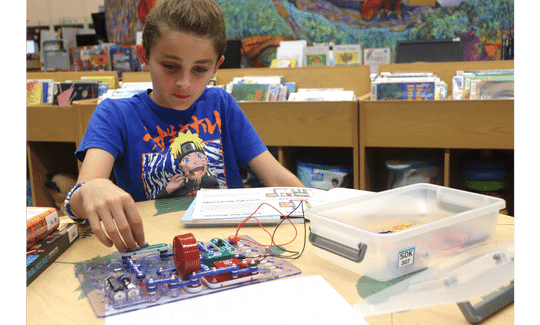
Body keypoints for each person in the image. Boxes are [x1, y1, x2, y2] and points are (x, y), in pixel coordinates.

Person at [65, 0, 304, 253]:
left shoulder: (221, 104)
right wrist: (92, 189)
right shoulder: (115, 114)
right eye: (170, 66)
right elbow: (82, 197)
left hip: (230, 250)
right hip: (156, 252)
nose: (184, 83)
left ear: (216, 66)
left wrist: (314, 204)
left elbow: (276, 177)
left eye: (200, 69)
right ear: (144, 57)